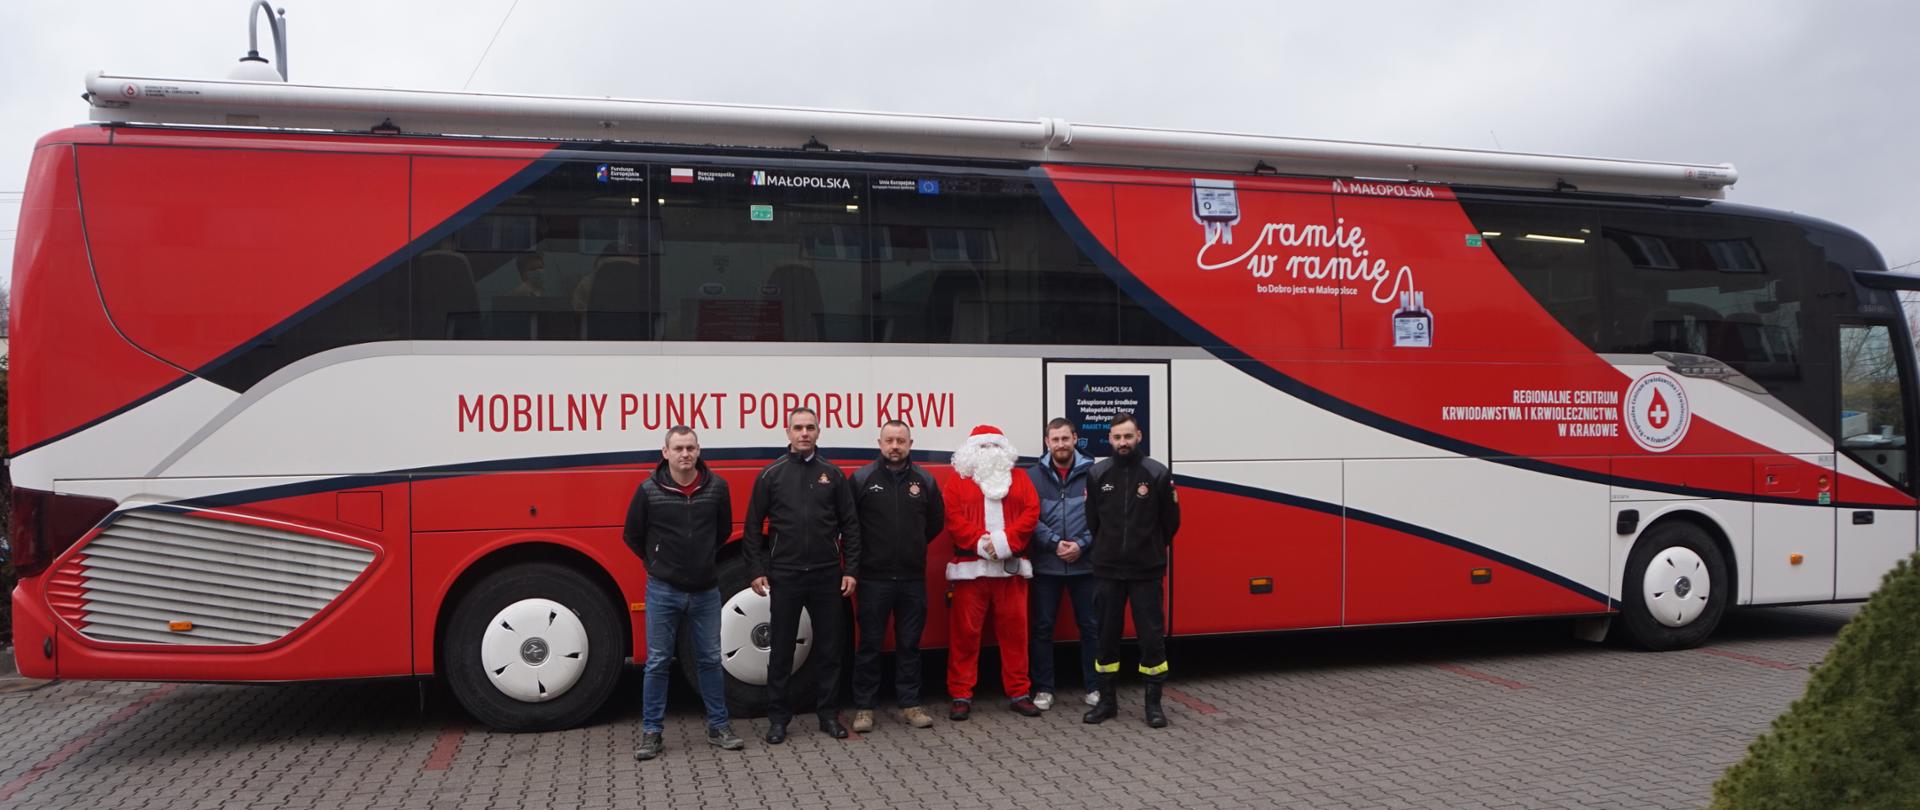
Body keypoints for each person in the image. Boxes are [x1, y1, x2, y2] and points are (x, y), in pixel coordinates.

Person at [624, 426, 745, 760]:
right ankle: (652, 733)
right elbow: (632, 534)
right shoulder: (649, 491)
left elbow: (722, 531)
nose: (685, 454)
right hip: (663, 590)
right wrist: (657, 563)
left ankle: (719, 727)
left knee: (709, 659)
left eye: (690, 447)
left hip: (706, 590)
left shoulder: (717, 488)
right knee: (658, 662)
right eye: (678, 448)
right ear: (665, 452)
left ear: (698, 451)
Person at [743, 407, 861, 743]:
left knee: (829, 649)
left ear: (818, 432)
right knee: (781, 650)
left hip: (826, 575)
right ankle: (778, 719)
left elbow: (851, 525)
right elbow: (753, 527)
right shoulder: (771, 475)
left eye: (810, 427)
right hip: (787, 575)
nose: (804, 433)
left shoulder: (833, 475)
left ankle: (828, 715)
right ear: (788, 432)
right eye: (798, 428)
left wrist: (850, 568)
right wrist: (756, 570)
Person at [1082, 412, 1181, 728]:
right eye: (1117, 437)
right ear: (1109, 439)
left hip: (1146, 571)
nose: (1122, 442)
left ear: (1139, 436)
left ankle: (1153, 706)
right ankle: (1107, 702)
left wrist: (1146, 549)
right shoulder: (1098, 474)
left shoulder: (1156, 474)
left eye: (1128, 436)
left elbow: (1171, 523)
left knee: (1151, 639)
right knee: (1105, 638)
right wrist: (1109, 550)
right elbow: (1092, 521)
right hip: (1108, 572)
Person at [848, 420, 945, 732]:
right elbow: (850, 527)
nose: (895, 446)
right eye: (889, 440)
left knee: (909, 645)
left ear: (910, 443)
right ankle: (864, 708)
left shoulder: (925, 481)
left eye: (900, 441)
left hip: (911, 579)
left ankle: (911, 704)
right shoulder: (862, 479)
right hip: (873, 579)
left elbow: (934, 524)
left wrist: (911, 548)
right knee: (869, 646)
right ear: (879, 443)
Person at [941, 424, 1042, 721]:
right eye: (982, 447)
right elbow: (953, 517)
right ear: (971, 451)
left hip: (1010, 573)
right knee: (964, 635)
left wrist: (1004, 543)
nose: (988, 453)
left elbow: (1031, 512)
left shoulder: (1020, 479)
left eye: (993, 447)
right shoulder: (958, 482)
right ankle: (961, 694)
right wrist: (983, 545)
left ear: (1004, 450)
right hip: (971, 573)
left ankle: (1019, 692)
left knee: (1015, 635)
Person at [1026, 417, 1100, 712]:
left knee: (1091, 628)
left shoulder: (1094, 473)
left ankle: (1095, 687)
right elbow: (1030, 519)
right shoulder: (1033, 476)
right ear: (1047, 442)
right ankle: (1043, 689)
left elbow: (1102, 517)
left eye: (1065, 439)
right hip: (1047, 566)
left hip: (1086, 566)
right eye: (1054, 439)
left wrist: (1081, 544)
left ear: (1075, 439)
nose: (1060, 444)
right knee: (1042, 629)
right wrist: (1055, 543)